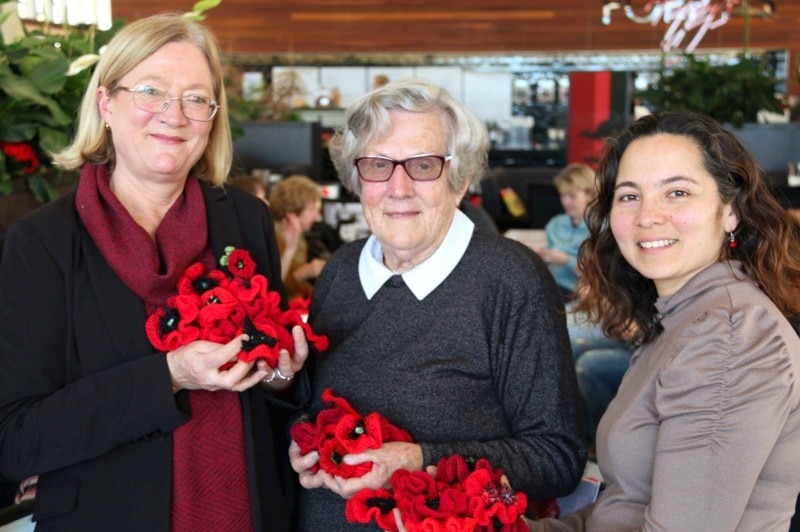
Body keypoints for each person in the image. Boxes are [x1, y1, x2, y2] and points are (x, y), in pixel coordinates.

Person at [0, 13, 311, 531]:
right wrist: (170, 375)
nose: (174, 115)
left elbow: (270, 387)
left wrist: (278, 375)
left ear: (212, 117)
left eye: (196, 98)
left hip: (246, 513)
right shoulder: (43, 243)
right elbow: (15, 436)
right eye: (151, 91)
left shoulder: (244, 218)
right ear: (106, 104)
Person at [288, 78, 586, 531]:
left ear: (461, 178)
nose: (399, 187)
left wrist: (417, 461)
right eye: (377, 165)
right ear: (356, 178)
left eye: (424, 165)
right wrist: (303, 438)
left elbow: (556, 458)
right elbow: (313, 405)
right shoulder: (341, 270)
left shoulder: (511, 280)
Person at [527, 111, 800, 531]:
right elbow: (622, 506)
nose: (647, 216)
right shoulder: (682, 317)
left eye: (677, 192)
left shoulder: (729, 335)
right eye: (629, 195)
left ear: (731, 211)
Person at [532, 162, 596, 299]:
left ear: (590, 195)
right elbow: (550, 251)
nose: (566, 202)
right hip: (551, 286)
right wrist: (541, 254)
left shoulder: (601, 227)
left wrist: (566, 260)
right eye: (563, 196)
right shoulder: (555, 223)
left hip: (582, 294)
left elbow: (598, 272)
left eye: (572, 196)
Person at [269, 174, 327, 299]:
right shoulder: (273, 239)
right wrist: (306, 272)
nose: (317, 216)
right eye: (312, 209)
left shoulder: (298, 237)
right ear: (294, 210)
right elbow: (273, 290)